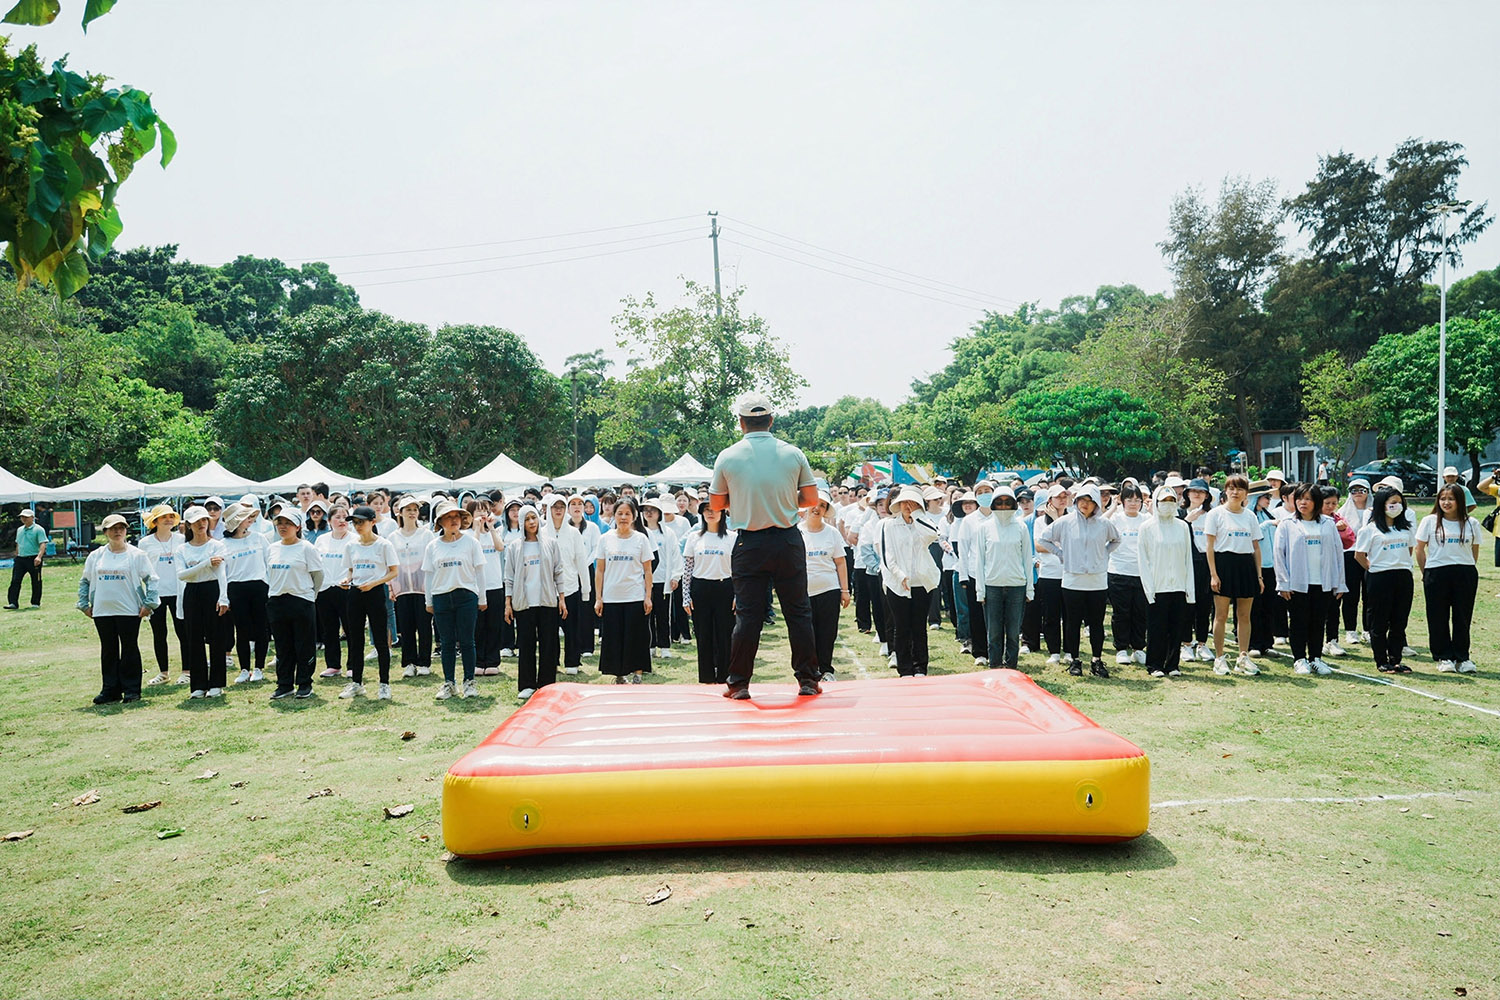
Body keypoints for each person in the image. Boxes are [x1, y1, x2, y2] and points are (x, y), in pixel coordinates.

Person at [708, 391, 821, 699]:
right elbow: (811, 499)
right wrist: (783, 502)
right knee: (798, 612)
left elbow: (716, 504)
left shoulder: (728, 456)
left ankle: (739, 683)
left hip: (750, 543)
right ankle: (808, 679)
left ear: (741, 423)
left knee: (748, 616)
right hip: (787, 539)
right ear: (771, 421)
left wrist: (742, 501)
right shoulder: (793, 453)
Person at [1036, 483, 1120, 678]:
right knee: (1072, 622)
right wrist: (1061, 554)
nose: (1085, 504)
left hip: (1097, 580)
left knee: (1096, 623)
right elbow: (1044, 539)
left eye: (1090, 501)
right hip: (1072, 580)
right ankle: (1074, 659)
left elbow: (1116, 540)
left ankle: (1097, 660)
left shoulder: (1104, 523)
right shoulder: (1065, 522)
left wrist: (1104, 554)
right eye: (1082, 500)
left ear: (1096, 503)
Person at [77, 513, 159, 704]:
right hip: (102, 610)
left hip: (129, 610)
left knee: (129, 648)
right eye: (113, 528)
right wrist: (84, 604)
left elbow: (152, 579)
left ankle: (132, 689)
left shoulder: (137, 555)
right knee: (108, 650)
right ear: (105, 531)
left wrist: (149, 603)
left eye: (121, 528)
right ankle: (110, 689)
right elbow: (85, 581)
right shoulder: (96, 556)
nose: (117, 531)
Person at [1273, 484, 1347, 676]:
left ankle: (1315, 658)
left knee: (1318, 621)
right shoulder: (1287, 524)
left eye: (1308, 499)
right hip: (1297, 583)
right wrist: (1283, 583)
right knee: (1299, 621)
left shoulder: (1328, 523)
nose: (1302, 503)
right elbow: (1279, 555)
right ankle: (1299, 659)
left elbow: (1338, 553)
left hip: (1323, 582)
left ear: (1316, 502)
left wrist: (1340, 582)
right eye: (1299, 498)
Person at [873, 486, 941, 677]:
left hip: (922, 582)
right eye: (904, 502)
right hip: (897, 584)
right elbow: (887, 555)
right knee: (901, 626)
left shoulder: (925, 522)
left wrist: (917, 515)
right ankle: (904, 668)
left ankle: (920, 667)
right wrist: (899, 575)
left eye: (912, 502)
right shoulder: (888, 525)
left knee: (919, 627)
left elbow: (932, 535)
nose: (907, 506)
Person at [424, 499, 487, 699]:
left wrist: (482, 597)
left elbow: (479, 572)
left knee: (467, 641)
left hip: (466, 595)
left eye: (456, 516)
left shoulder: (471, 542)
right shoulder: (433, 546)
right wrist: (428, 601)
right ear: (440, 522)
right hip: (441, 596)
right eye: (448, 517)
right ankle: (449, 683)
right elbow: (429, 575)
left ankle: (469, 681)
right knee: (447, 642)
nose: (453, 520)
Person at [1414, 484, 1481, 673]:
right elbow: (1419, 549)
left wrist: (1466, 566)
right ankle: (1444, 657)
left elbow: (1474, 550)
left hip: (1465, 573)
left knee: (1462, 616)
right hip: (1436, 573)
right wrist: (1426, 572)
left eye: (1451, 499)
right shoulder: (1429, 521)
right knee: (1438, 616)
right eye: (1442, 499)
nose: (1446, 502)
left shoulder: (1471, 523)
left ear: (1460, 501)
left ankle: (1462, 657)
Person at [505, 504, 569, 701]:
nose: (531, 522)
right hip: (524, 603)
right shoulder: (514, 547)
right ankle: (527, 684)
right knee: (526, 645)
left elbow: (558, 571)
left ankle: (546, 685)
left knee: (549, 644)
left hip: (547, 601)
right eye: (527, 519)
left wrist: (562, 598)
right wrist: (508, 603)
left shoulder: (550, 544)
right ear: (521, 522)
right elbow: (509, 577)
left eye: (533, 517)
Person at [1203, 474, 1264, 676]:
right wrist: (1213, 574)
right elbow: (1209, 547)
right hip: (1223, 565)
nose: (1235, 492)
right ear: (1226, 491)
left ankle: (1243, 657)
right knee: (1221, 615)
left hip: (1246, 566)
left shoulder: (1250, 516)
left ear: (1246, 493)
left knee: (1244, 615)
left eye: (1239, 489)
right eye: (1231, 488)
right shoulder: (1215, 514)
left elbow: (1256, 547)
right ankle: (1219, 658)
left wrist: (1259, 576)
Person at [593, 496, 654, 684]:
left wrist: (648, 596)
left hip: (635, 596)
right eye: (620, 513)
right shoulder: (605, 539)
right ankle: (619, 675)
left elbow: (647, 570)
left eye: (628, 513)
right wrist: (599, 598)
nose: (623, 517)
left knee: (636, 637)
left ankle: (637, 674)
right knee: (615, 638)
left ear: (634, 516)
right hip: (611, 597)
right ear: (614, 515)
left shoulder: (641, 539)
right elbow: (600, 570)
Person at [972, 486, 1034, 670]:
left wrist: (1029, 588)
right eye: (999, 502)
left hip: (1017, 586)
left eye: (1007, 502)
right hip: (992, 586)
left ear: (1013, 504)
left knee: (1013, 633)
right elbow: (979, 561)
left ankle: (1011, 666)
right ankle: (995, 666)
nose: (1003, 506)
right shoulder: (985, 528)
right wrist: (980, 590)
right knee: (994, 633)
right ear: (993, 504)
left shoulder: (1021, 527)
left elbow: (1027, 559)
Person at [1354, 486, 1415, 674]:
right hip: (1379, 577)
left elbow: (1409, 550)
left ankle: (1395, 659)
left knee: (1399, 620)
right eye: (1392, 503)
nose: (1397, 506)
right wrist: (1374, 568)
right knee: (1379, 621)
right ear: (1381, 505)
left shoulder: (1405, 528)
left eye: (1400, 503)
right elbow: (1359, 555)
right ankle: (1381, 660)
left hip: (1403, 576)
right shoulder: (1369, 529)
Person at [265, 507, 324, 700]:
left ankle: (305, 683)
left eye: (288, 523)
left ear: (298, 526)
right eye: (280, 523)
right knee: (282, 646)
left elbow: (318, 575)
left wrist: (311, 596)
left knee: (304, 645)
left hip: (301, 600)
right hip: (277, 601)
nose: (283, 527)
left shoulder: (307, 548)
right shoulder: (272, 548)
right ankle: (284, 684)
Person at [342, 505, 399, 699]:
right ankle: (357, 683)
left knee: (381, 640)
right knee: (355, 640)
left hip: (375, 593)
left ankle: (384, 684)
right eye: (355, 523)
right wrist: (347, 579)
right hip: (355, 593)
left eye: (361, 522)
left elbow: (393, 571)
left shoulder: (383, 545)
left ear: (372, 522)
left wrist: (374, 583)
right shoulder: (351, 545)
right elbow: (351, 569)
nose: (358, 526)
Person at [1139, 486, 1194, 677]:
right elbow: (1143, 561)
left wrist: (1189, 588)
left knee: (1176, 627)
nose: (1168, 505)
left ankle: (1172, 664)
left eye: (1171, 501)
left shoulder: (1182, 527)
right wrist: (1149, 589)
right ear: (1156, 502)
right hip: (1157, 586)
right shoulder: (1147, 527)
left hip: (1178, 585)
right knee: (1157, 628)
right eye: (1164, 501)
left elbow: (1188, 559)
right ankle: (1154, 664)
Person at [175, 506, 230, 698]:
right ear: (189, 525)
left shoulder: (216, 546)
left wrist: (223, 597)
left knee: (216, 638)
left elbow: (221, 573)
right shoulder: (182, 549)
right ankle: (198, 684)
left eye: (204, 520)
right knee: (194, 638)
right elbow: (182, 575)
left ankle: (216, 683)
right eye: (196, 521)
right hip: (192, 592)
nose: (201, 524)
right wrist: (206, 563)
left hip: (212, 589)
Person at [799, 490, 848, 684]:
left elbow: (840, 562)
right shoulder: (796, 531)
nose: (817, 508)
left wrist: (845, 590)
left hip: (829, 590)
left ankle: (826, 669)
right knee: (806, 634)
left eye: (822, 505)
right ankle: (810, 671)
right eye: (814, 504)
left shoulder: (832, 533)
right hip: (803, 592)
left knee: (827, 632)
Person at [685, 503, 737, 683]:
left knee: (725, 634)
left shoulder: (732, 537)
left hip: (725, 588)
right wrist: (686, 596)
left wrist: (738, 595)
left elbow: (738, 569)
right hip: (700, 589)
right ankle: (706, 677)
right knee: (703, 635)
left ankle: (724, 676)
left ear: (722, 513)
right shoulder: (694, 537)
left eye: (714, 510)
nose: (710, 513)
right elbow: (688, 568)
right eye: (706, 510)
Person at [541, 494, 591, 676]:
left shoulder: (573, 533)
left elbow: (581, 561)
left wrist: (586, 590)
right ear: (549, 509)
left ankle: (572, 661)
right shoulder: (541, 532)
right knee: (549, 630)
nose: (558, 510)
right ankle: (551, 662)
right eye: (555, 507)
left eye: (562, 506)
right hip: (548, 590)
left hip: (570, 588)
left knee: (572, 628)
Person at [220, 503, 271, 684]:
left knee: (261, 629)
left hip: (259, 587)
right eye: (245, 517)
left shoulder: (259, 538)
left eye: (250, 517)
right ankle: (244, 669)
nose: (249, 520)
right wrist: (224, 597)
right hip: (236, 589)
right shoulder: (223, 544)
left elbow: (269, 563)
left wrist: (271, 587)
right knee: (242, 631)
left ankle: (259, 668)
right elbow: (222, 573)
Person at [138, 504, 187, 686]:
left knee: (183, 632)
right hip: (156, 594)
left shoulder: (182, 539)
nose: (168, 520)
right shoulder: (145, 543)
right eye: (164, 517)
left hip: (179, 592)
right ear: (155, 521)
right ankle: (163, 673)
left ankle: (187, 671)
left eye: (171, 516)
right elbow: (142, 570)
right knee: (159, 634)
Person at [390, 495, 434, 680]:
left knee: (424, 626)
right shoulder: (393, 537)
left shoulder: (426, 535)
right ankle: (409, 662)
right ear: (400, 512)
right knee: (406, 628)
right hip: (401, 588)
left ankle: (424, 662)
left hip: (422, 587)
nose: (412, 513)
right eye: (408, 510)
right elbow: (390, 563)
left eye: (415, 509)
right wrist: (391, 587)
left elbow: (431, 561)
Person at [1106, 484, 1148, 667]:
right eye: (1129, 499)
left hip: (1141, 573)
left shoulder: (1146, 519)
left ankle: (1138, 648)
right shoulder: (1116, 518)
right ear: (1122, 501)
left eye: (1137, 500)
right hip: (1118, 571)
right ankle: (1121, 648)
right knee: (1121, 612)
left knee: (1140, 612)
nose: (1133, 503)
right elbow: (1100, 522)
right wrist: (1113, 507)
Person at [314, 505, 352, 681]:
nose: (342, 520)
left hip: (346, 589)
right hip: (325, 589)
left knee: (351, 629)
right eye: (337, 517)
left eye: (345, 517)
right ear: (329, 521)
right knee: (329, 630)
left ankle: (353, 665)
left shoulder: (354, 539)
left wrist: (348, 579)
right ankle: (333, 665)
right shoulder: (321, 540)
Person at [1179, 479, 1215, 664]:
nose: (1197, 494)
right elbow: (1175, 537)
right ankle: (1186, 644)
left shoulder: (1212, 515)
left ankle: (1202, 643)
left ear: (1207, 495)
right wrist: (1187, 521)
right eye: (1193, 491)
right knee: (1187, 605)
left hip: (1206, 564)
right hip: (1186, 563)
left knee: (1204, 605)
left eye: (1201, 492)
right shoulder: (1180, 513)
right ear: (1187, 493)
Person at [470, 498, 507, 676]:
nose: (482, 514)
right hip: (475, 587)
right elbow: (473, 550)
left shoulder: (496, 530)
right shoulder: (467, 535)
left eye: (485, 510)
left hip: (495, 584)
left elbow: (500, 547)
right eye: (478, 510)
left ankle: (492, 660)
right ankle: (478, 661)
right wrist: (477, 529)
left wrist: (490, 528)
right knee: (477, 626)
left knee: (494, 625)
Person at [640, 498, 680, 660]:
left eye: (653, 510)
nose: (649, 513)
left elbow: (676, 555)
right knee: (647, 615)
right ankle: (650, 646)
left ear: (659, 513)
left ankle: (664, 646)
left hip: (663, 580)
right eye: (646, 510)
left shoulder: (668, 533)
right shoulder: (640, 532)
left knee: (663, 616)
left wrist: (675, 576)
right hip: (644, 581)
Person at [1335, 479, 1372, 648]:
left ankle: (1368, 629)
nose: (1358, 493)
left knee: (1369, 595)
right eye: (1353, 490)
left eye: (1362, 490)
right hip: (1350, 555)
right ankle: (1350, 630)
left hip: (1370, 554)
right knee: (1351, 595)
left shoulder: (1374, 510)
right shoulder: (1342, 512)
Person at [6, 507, 47, 610]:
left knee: (36, 581)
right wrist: (17, 554)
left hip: (33, 558)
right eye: (22, 517)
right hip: (20, 559)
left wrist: (39, 557)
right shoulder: (20, 530)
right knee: (15, 580)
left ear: (32, 517)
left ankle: (35, 602)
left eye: (26, 517)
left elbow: (42, 544)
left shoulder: (38, 529)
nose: (24, 519)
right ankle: (13, 602)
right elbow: (18, 543)